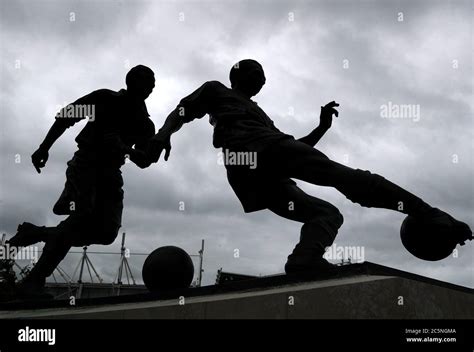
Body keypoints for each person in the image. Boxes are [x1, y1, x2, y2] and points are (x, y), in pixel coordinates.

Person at [147, 59, 472, 274]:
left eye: (262, 76)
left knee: (327, 213)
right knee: (349, 178)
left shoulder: (262, 116)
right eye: (254, 72)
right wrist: (162, 135)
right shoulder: (216, 90)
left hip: (262, 171)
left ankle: (305, 259)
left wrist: (322, 128)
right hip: (249, 152)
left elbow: (297, 152)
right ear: (237, 76)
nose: (260, 79)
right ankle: (431, 214)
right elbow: (183, 111)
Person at [7, 65, 156, 297]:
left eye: (151, 82)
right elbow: (67, 116)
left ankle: (35, 233)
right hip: (86, 165)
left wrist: (125, 148)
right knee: (81, 217)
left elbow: (145, 160)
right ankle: (34, 280)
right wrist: (44, 147)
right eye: (145, 80)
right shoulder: (105, 98)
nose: (150, 86)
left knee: (107, 233)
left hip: (111, 173)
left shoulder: (145, 124)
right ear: (130, 81)